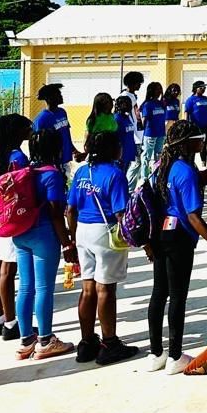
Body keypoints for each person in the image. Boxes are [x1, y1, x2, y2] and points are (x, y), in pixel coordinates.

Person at [144, 120, 207, 374]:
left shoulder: (162, 166)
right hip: (180, 238)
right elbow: (194, 217)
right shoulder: (184, 172)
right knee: (178, 296)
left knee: (159, 293)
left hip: (161, 234)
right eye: (199, 137)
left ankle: (156, 354)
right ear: (186, 143)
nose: (203, 140)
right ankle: (175, 356)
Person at [66, 130, 138, 365]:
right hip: (105, 232)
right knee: (106, 289)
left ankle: (87, 342)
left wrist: (72, 238)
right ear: (112, 149)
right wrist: (137, 238)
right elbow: (120, 212)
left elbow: (70, 209)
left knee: (88, 288)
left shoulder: (82, 172)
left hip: (83, 230)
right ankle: (110, 342)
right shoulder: (116, 174)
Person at [13, 126, 78, 358]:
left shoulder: (25, 170)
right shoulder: (52, 175)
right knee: (44, 288)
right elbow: (55, 213)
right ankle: (45, 340)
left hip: (21, 233)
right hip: (43, 235)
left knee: (25, 287)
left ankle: (25, 339)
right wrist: (67, 243)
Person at [0, 115, 32, 342]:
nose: (30, 131)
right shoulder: (17, 157)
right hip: (11, 215)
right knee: (8, 269)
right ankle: (12, 322)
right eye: (27, 128)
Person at [33, 82, 83, 168]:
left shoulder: (62, 112)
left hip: (66, 159)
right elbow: (38, 143)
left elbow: (66, 134)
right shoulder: (42, 119)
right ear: (49, 98)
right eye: (58, 94)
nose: (61, 96)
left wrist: (74, 151)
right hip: (53, 162)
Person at [139, 82, 168, 186]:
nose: (159, 90)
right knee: (147, 155)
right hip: (150, 133)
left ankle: (156, 175)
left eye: (160, 88)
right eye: (157, 89)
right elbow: (144, 120)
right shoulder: (148, 104)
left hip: (160, 133)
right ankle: (144, 177)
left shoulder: (161, 103)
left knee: (158, 155)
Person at [114, 95, 138, 174]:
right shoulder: (116, 119)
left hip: (128, 152)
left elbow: (130, 135)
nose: (127, 106)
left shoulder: (127, 117)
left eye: (128, 103)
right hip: (120, 155)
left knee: (124, 174)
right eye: (124, 104)